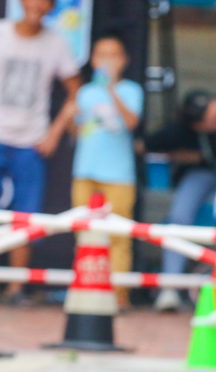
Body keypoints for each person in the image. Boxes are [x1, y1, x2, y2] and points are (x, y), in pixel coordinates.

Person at [0, 0, 81, 302]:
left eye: (46, 1)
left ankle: (15, 287)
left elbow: (76, 90)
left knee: (26, 219)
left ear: (51, 8)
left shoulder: (56, 44)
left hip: (31, 144)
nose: (38, 5)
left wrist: (55, 132)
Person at [70, 34, 143, 310]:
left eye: (114, 55)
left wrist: (111, 88)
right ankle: (85, 289)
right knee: (83, 232)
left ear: (123, 60)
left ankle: (119, 296)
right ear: (93, 59)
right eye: (102, 55)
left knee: (118, 236)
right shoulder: (86, 92)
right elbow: (78, 132)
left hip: (119, 174)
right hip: (85, 171)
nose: (107, 61)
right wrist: (69, 117)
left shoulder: (131, 90)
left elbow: (131, 122)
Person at [147, 90, 216, 311]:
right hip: (201, 177)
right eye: (207, 117)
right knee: (178, 217)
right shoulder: (181, 131)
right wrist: (181, 155)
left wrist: (202, 156)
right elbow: (146, 144)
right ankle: (170, 288)